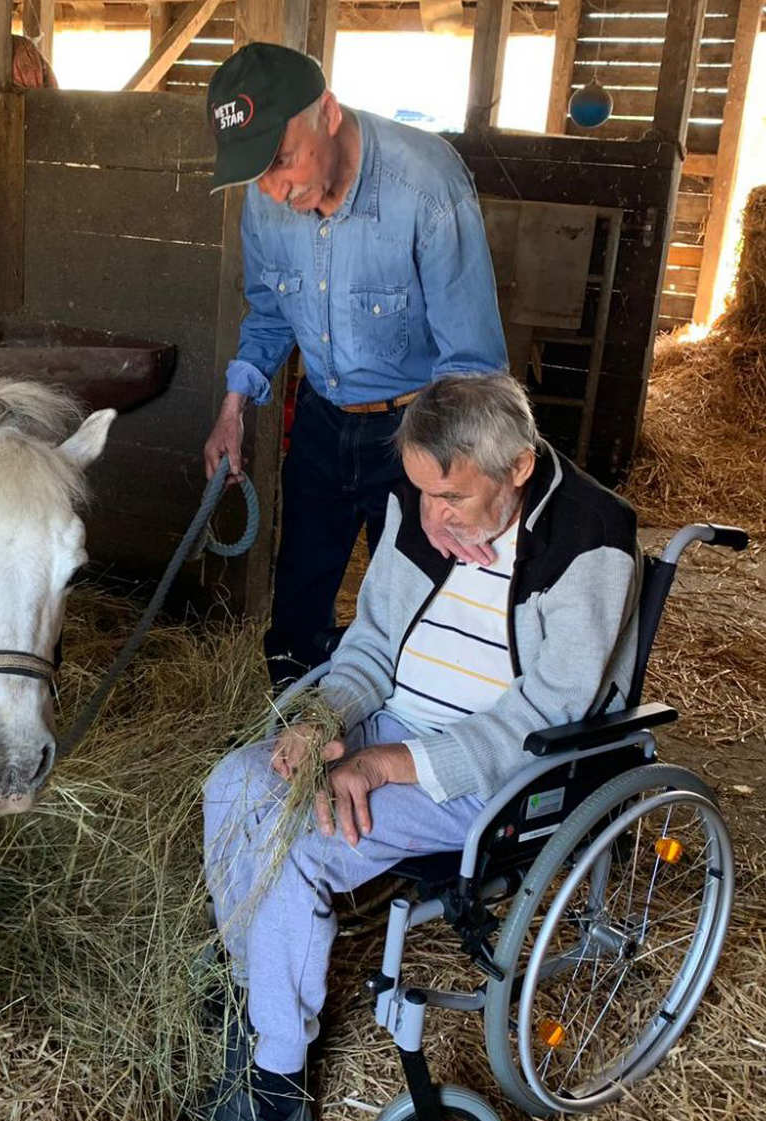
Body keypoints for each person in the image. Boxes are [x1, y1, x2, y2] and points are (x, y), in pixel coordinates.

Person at [195, 372, 641, 1121]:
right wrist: (325, 718)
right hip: (390, 721)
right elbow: (368, 646)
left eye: (453, 499)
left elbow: (547, 713)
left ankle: (279, 1085)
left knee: (299, 840)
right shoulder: (420, 501)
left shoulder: (593, 538)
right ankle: (251, 984)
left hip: (490, 770)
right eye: (421, 492)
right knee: (232, 783)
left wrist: (385, 764)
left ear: (517, 470)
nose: (431, 515)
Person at [203, 43, 508, 687]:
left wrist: (444, 486)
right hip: (321, 421)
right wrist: (234, 408)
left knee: (417, 612)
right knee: (295, 614)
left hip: (416, 432)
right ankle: (291, 750)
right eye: (257, 172)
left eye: (281, 161)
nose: (274, 190)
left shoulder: (426, 186)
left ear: (329, 113)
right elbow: (268, 312)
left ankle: (386, 766)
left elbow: (474, 366)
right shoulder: (268, 200)